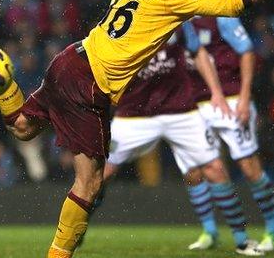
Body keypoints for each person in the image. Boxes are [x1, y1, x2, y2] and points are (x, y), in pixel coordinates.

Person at [0, 0, 274, 258]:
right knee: (90, 184)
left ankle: (0, 79)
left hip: (69, 59)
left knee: (22, 128)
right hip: (91, 83)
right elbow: (230, 2)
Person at [102, 23, 263, 256]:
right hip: (134, 113)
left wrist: (216, 92)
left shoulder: (178, 17)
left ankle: (241, 239)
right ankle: (73, 233)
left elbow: (198, 52)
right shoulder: (124, 20)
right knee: (101, 174)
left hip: (181, 110)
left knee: (215, 168)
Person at [189, 12, 274, 252]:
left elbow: (247, 52)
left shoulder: (219, 14)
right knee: (196, 168)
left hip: (230, 100)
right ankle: (210, 230)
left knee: (247, 165)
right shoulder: (173, 16)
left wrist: (244, 97)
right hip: (196, 104)